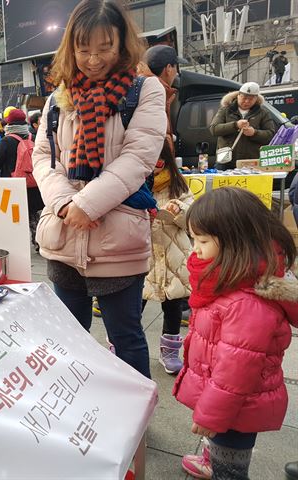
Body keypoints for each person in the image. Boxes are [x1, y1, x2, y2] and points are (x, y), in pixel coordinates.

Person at [32, 0, 167, 379]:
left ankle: (136, 422)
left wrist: (88, 204)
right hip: (63, 235)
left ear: (122, 44)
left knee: (126, 337)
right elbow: (44, 157)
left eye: (104, 48)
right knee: (69, 337)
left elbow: (138, 158)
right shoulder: (59, 97)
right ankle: (79, 409)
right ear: (70, 48)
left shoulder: (145, 91)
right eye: (83, 48)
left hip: (116, 238)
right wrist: (64, 204)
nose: (93, 59)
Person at [175, 187, 297, 480]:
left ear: (235, 242)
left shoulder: (246, 302)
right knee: (223, 450)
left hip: (237, 408)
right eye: (194, 239)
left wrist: (212, 416)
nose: (196, 249)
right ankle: (213, 458)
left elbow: (236, 371)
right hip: (231, 403)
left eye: (202, 240)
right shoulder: (231, 278)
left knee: (230, 471)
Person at [142, 142, 193, 374]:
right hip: (144, 256)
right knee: (132, 307)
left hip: (174, 255)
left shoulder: (177, 183)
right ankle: (121, 346)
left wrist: (179, 210)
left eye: (159, 163)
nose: (154, 168)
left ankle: (169, 351)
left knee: (173, 306)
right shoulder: (134, 180)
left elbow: (193, 218)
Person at [0, 108, 45, 251]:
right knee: (33, 215)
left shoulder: (7, 141)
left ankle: (15, 244)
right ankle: (39, 242)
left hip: (13, 185)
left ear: (10, 124)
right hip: (33, 183)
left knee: (13, 217)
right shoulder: (33, 137)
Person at [209, 82, 276, 170]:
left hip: (251, 161)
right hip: (226, 160)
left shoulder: (263, 113)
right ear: (238, 95)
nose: (247, 101)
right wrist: (235, 125)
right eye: (244, 98)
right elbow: (214, 129)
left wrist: (254, 133)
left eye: (251, 99)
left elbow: (271, 134)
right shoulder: (226, 110)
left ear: (256, 99)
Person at [142, 45, 187, 157]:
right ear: (168, 68)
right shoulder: (155, 93)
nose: (176, 73)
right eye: (176, 67)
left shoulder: (142, 88)